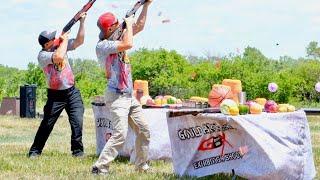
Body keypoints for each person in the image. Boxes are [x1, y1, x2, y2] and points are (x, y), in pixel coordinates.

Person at [91, 0, 153, 175]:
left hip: (128, 95)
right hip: (116, 96)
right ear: (110, 29)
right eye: (116, 25)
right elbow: (128, 44)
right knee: (120, 134)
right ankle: (100, 166)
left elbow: (139, 26)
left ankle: (141, 165)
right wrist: (128, 24)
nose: (120, 27)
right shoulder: (102, 46)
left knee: (144, 130)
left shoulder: (116, 35)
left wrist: (145, 6)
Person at [28, 13, 87, 158]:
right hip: (55, 96)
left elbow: (80, 41)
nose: (55, 39)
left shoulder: (61, 46)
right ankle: (35, 151)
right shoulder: (42, 55)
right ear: (47, 44)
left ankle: (77, 151)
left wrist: (82, 22)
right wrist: (64, 40)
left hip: (72, 92)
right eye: (52, 39)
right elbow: (59, 57)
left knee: (77, 122)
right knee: (47, 124)